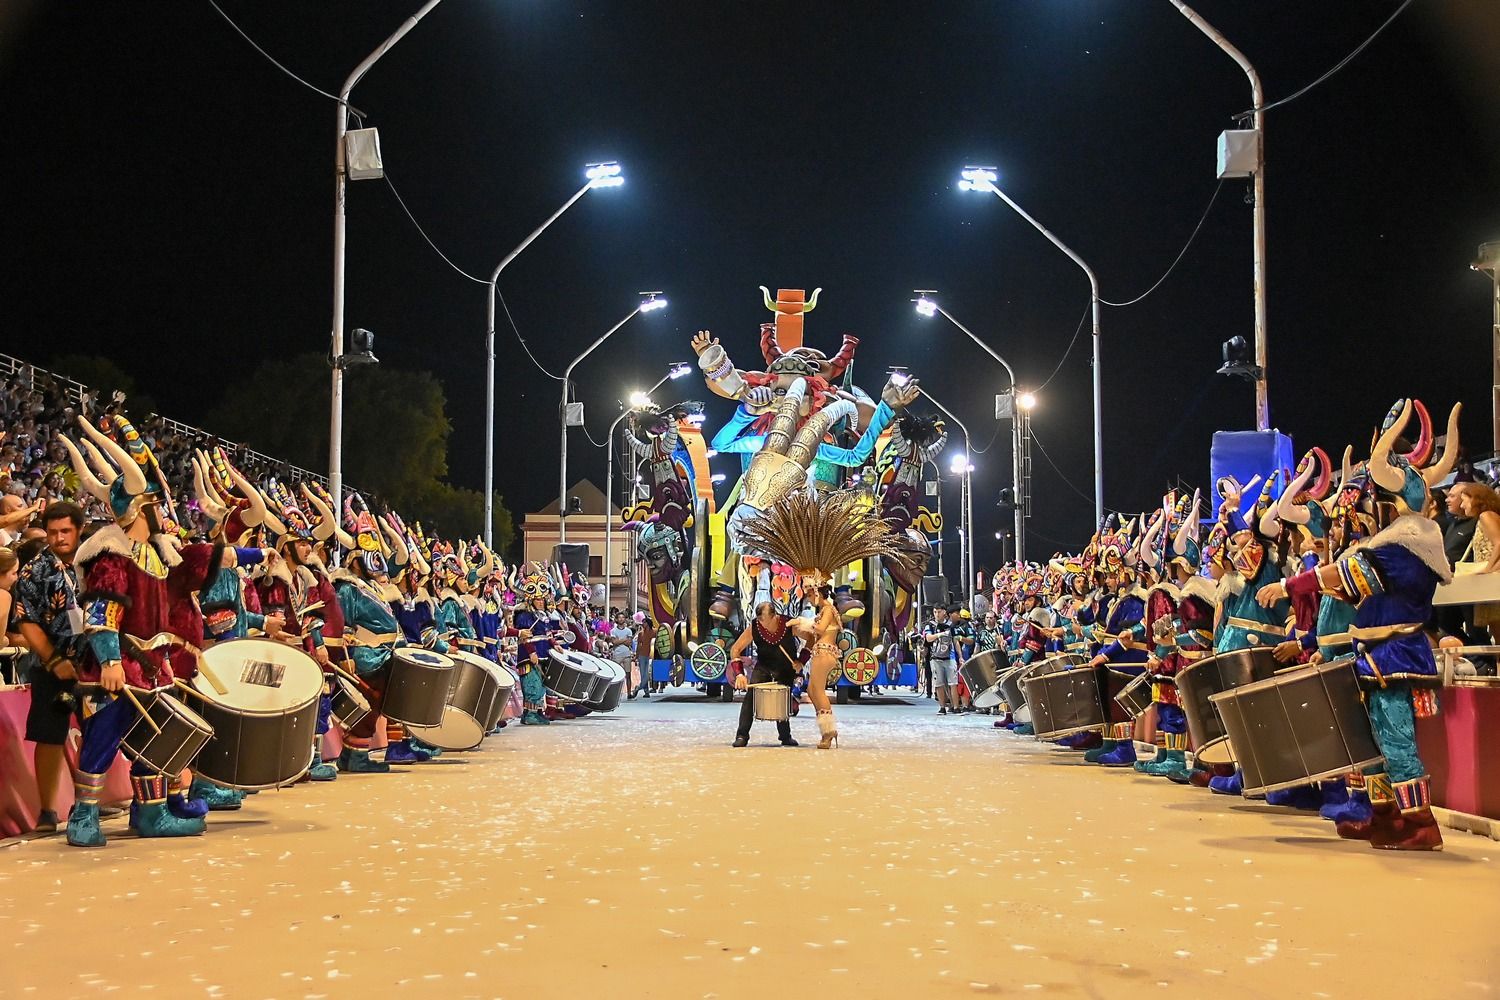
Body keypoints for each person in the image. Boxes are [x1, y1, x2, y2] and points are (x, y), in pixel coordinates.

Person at [729, 601, 801, 747]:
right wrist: (739, 674)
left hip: (785, 668)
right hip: (764, 666)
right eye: (762, 621)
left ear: (775, 616)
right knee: (750, 697)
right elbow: (735, 649)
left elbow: (811, 638)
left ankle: (785, 736)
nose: (765, 625)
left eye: (768, 621)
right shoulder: (755, 627)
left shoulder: (788, 624)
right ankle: (742, 735)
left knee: (783, 700)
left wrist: (802, 661)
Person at [921, 605, 961, 715]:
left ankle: (956, 706)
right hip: (935, 658)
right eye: (935, 612)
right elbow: (928, 638)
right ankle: (942, 707)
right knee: (939, 684)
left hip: (950, 657)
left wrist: (960, 656)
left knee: (953, 683)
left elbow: (956, 641)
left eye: (939, 611)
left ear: (944, 612)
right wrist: (940, 635)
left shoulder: (951, 625)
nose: (937, 614)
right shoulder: (930, 625)